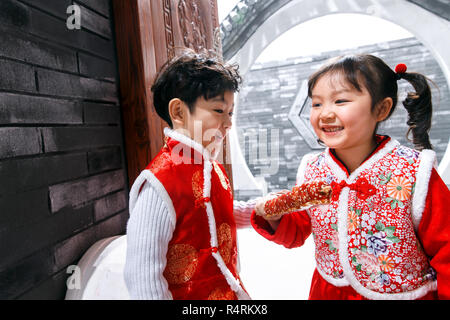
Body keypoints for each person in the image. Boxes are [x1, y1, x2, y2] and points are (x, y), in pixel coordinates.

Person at [252, 54, 450, 300]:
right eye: (316, 104)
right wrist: (276, 218)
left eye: (340, 101)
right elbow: (299, 229)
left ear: (381, 109)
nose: (325, 114)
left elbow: (446, 249)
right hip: (329, 292)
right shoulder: (312, 168)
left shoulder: (413, 171)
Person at [124, 49, 255, 300]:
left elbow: (213, 215)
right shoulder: (159, 182)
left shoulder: (212, 168)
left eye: (230, 113)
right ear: (179, 112)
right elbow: (142, 275)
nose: (228, 123)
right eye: (218, 111)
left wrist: (259, 211)